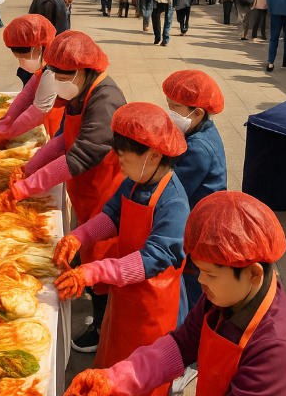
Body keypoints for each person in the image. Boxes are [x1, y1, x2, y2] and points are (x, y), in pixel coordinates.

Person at [65, 192, 286, 396]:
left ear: (253, 274)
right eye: (199, 270)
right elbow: (180, 346)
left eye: (210, 274)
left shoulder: (275, 350)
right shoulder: (225, 298)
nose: (200, 281)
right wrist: (115, 379)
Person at [0, 31, 126, 352]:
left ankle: (100, 326)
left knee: (102, 254)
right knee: (87, 248)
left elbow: (80, 154)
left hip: (104, 193)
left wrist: (28, 187)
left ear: (85, 71)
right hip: (84, 191)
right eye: (52, 73)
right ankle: (94, 297)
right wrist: (29, 168)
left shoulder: (104, 98)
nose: (56, 80)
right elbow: (60, 139)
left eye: (63, 74)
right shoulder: (79, 94)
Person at [53, 102, 189, 388]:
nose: (120, 165)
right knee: (112, 370)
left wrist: (94, 271)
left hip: (152, 307)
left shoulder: (173, 202)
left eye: (125, 159)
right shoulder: (137, 180)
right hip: (124, 293)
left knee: (140, 376)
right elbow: (112, 214)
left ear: (152, 155)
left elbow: (152, 259)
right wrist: (79, 236)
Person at [161, 69, 227, 314]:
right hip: (198, 216)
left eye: (174, 107)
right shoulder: (200, 129)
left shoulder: (199, 148)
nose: (169, 112)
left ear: (197, 113)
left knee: (193, 286)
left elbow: (174, 189)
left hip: (201, 226)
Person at [0, 14, 64, 137]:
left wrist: (7, 134)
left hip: (60, 129)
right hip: (49, 127)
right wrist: (6, 121)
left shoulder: (54, 71)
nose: (21, 62)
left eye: (24, 57)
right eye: (18, 58)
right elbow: (25, 96)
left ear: (37, 48)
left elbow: (36, 113)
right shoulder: (43, 66)